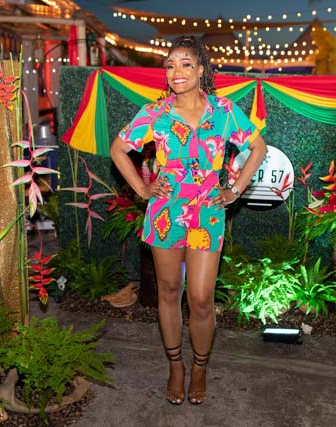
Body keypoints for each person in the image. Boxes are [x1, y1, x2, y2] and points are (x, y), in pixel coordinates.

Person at [110, 35, 267, 405]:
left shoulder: (224, 111)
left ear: (200, 70)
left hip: (207, 214)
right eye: (170, 65)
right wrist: (143, 189)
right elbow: (118, 149)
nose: (176, 72)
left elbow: (257, 148)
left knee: (200, 299)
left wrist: (234, 190)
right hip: (165, 213)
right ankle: (175, 366)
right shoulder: (155, 113)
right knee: (168, 291)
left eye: (185, 64)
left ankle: (199, 366)